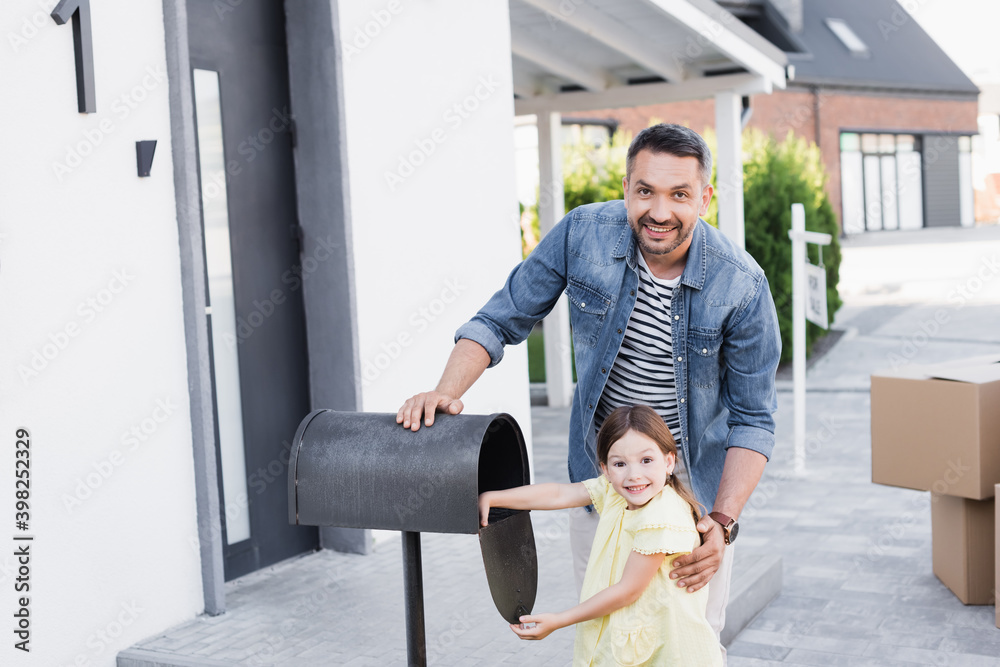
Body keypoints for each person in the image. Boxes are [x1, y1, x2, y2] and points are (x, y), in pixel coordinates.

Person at [397, 123, 781, 659]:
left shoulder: (740, 284)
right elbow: (502, 316)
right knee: (605, 629)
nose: (660, 211)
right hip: (606, 476)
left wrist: (721, 523)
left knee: (687, 639)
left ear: (705, 198)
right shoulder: (584, 234)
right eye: (645, 190)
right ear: (626, 187)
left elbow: (753, 418)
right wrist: (445, 390)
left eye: (679, 194)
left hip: (692, 494)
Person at [479, 405, 722, 666]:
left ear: (669, 461)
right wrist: (495, 497)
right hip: (632, 641)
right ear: (605, 469)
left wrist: (559, 620)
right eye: (620, 463)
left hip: (669, 653)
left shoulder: (662, 515)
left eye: (646, 460)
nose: (634, 475)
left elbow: (627, 591)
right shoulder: (615, 491)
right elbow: (560, 494)